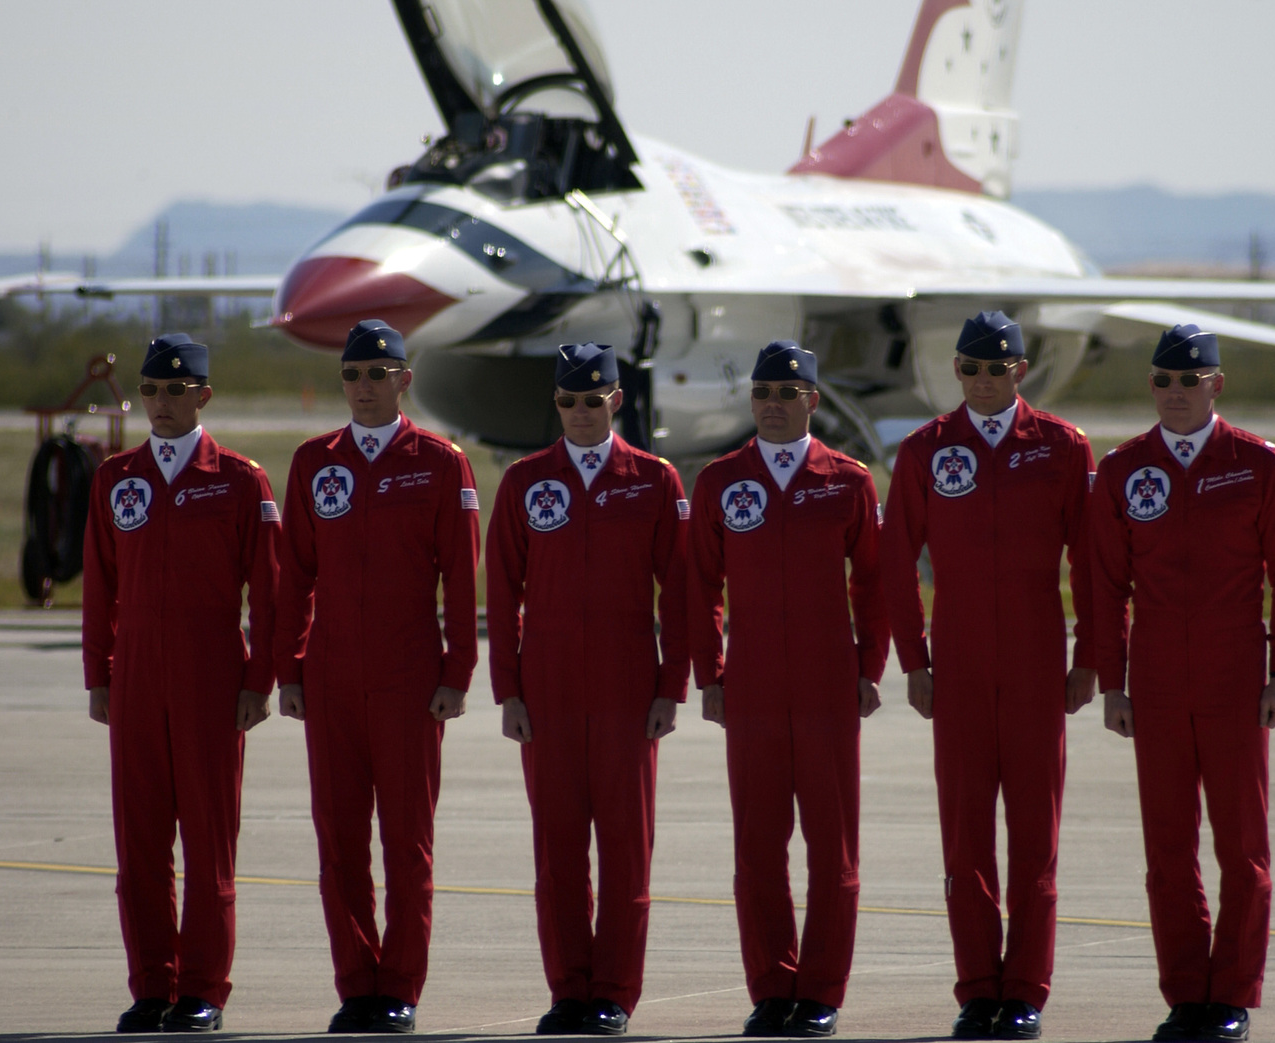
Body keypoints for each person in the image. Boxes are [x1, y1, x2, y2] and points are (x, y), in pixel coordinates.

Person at [1090, 324, 1275, 1043]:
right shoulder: (1125, 469)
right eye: (1163, 380)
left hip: (1235, 680)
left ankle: (1233, 994)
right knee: (1167, 848)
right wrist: (1112, 683)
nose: (1175, 393)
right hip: (1154, 683)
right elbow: (1103, 585)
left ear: (1217, 384)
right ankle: (1186, 993)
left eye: (1190, 380)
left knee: (1241, 847)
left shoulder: (1259, 464)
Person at [879, 311, 1097, 1040]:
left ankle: (1027, 988)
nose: (981, 380)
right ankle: (978, 988)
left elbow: (1093, 564)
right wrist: (914, 659)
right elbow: (894, 565)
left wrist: (1090, 657)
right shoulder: (925, 450)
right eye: (969, 368)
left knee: (1036, 835)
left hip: (1038, 663)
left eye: (995, 368)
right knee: (966, 835)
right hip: (960, 667)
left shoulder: (1062, 447)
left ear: (1020, 371)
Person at [274, 319, 481, 1034]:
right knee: (338, 839)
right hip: (330, 678)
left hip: (410, 679)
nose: (363, 387)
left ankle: (400, 984)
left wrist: (458, 670)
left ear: (403, 379)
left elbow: (461, 577)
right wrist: (289, 669)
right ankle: (356, 980)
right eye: (352, 375)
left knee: (406, 840)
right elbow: (292, 575)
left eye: (377, 373)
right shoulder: (313, 462)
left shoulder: (440, 462)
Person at [485, 343, 689, 1037]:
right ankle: (568, 989)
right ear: (556, 404)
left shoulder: (654, 480)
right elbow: (502, 589)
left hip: (629, 690)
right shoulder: (524, 481)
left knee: (626, 849)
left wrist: (672, 686)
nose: (579, 412)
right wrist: (507, 690)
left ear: (617, 401)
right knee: (559, 850)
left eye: (592, 399)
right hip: (547, 693)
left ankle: (613, 993)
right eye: (568, 401)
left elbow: (683, 593)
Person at [687, 340, 888, 1038]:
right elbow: (699, 586)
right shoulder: (720, 480)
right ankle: (773, 987)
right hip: (753, 688)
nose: (773, 405)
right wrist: (709, 672)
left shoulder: (847, 481)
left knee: (832, 848)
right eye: (763, 393)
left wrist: (869, 669)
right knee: (759, 846)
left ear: (813, 399)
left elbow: (874, 581)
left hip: (830, 683)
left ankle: (822, 990)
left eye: (788, 393)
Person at [82, 333, 280, 1033]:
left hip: (211, 677)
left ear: (203, 395)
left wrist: (260, 679)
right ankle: (151, 984)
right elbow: (99, 585)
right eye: (150, 390)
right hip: (135, 678)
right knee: (139, 845)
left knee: (207, 841)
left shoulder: (238, 479)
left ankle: (202, 987)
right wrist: (98, 674)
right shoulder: (116, 478)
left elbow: (271, 589)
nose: (160, 403)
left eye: (175, 389)